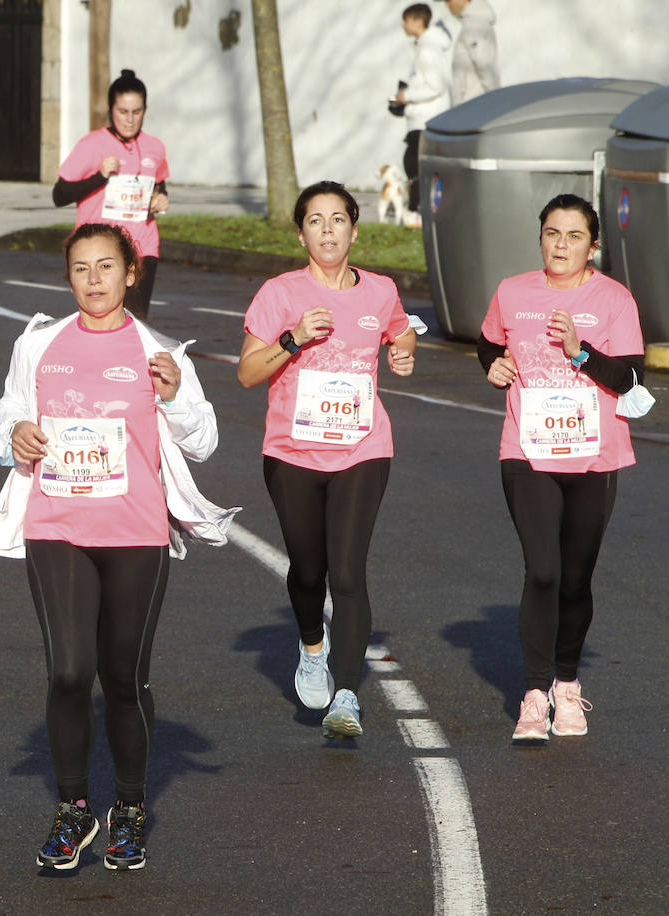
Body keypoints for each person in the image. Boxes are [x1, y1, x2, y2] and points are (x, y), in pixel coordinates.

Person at [0, 223, 237, 871]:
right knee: (69, 672)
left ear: (131, 273)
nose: (93, 280)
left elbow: (204, 440)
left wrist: (176, 395)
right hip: (56, 525)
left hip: (135, 533)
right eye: (80, 268)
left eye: (106, 267)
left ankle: (128, 809)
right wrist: (15, 433)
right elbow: (11, 412)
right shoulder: (39, 345)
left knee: (122, 679)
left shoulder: (157, 351)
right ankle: (73, 811)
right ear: (66, 277)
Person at [237, 180, 417, 740]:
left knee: (347, 570)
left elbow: (402, 332)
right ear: (301, 234)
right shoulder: (279, 293)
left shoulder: (380, 291)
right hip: (292, 452)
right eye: (315, 221)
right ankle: (312, 646)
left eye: (338, 219)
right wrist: (292, 339)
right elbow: (246, 373)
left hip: (363, 448)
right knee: (309, 569)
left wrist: (404, 351)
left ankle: (345, 694)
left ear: (354, 229)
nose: (328, 230)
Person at [477, 194, 645, 742]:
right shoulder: (513, 292)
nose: (562, 245)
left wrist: (578, 351)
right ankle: (532, 694)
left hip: (595, 456)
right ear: (541, 237)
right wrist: (495, 364)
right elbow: (487, 343)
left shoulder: (615, 300)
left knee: (575, 577)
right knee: (543, 570)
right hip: (527, 452)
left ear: (593, 245)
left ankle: (567, 686)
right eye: (553, 233)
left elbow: (627, 380)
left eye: (575, 236)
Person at [53, 69, 170, 321]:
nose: (130, 120)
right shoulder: (91, 144)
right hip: (98, 248)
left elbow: (159, 185)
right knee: (101, 321)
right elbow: (59, 195)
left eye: (137, 112)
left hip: (143, 245)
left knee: (135, 323)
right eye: (123, 112)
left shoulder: (155, 147)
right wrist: (100, 177)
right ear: (110, 109)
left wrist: (160, 199)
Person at [394, 5, 450, 215]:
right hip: (421, 119)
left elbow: (436, 85)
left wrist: (406, 95)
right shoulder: (424, 48)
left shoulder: (428, 50)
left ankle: (419, 210)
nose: (403, 25)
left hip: (425, 119)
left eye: (406, 19)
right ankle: (419, 210)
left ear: (418, 21)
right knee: (414, 164)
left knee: (415, 166)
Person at [445, 0, 500, 105]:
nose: (446, 4)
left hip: (475, 106)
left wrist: (495, 101)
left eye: (448, 0)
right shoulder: (472, 23)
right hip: (474, 106)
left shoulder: (474, 26)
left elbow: (483, 65)